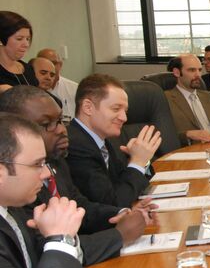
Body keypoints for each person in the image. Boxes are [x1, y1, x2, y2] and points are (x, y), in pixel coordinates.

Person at [0, 85, 155, 236]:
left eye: (61, 120)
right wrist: (119, 236)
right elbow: (43, 244)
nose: (61, 129)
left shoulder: (55, 160)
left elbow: (78, 205)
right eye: (46, 124)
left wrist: (121, 214)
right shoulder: (15, 184)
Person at [0, 114, 86, 268]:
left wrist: (60, 240)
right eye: (37, 164)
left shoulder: (12, 209)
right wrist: (60, 239)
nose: (47, 173)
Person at [67, 73, 161, 207]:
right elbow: (113, 203)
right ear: (88, 107)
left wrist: (141, 161)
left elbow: (126, 184)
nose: (124, 118)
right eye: (116, 109)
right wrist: (138, 162)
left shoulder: (103, 139)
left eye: (125, 111)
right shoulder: (75, 145)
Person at [37, 48, 79, 119]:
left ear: (60, 65)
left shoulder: (75, 89)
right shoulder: (30, 88)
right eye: (46, 62)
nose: (50, 66)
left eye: (54, 63)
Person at [0, 11, 38, 90]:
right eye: (19, 39)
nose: (26, 44)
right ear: (1, 40)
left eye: (28, 39)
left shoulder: (28, 69)